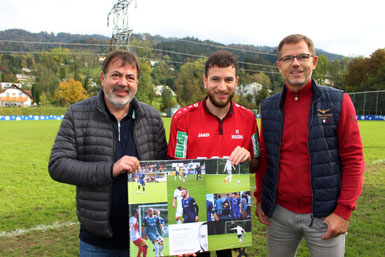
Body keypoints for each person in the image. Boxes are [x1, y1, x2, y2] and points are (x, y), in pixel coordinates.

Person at [48, 50, 167, 256]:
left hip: (142, 239)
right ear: (103, 78)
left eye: (130, 77)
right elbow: (58, 165)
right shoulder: (77, 114)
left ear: (137, 82)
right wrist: (111, 169)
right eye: (116, 75)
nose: (123, 83)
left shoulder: (152, 118)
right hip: (97, 242)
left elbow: (166, 170)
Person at [254, 34, 364, 257]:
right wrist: (260, 199)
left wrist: (343, 211)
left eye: (302, 56)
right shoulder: (269, 106)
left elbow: (353, 159)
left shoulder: (339, 101)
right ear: (279, 66)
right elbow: (265, 157)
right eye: (288, 58)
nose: (295, 63)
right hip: (279, 215)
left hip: (325, 214)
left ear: (313, 61)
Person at [168, 50, 260, 257]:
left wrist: (247, 158)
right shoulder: (182, 119)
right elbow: (174, 168)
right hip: (196, 208)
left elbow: (257, 164)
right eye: (215, 79)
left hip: (228, 211)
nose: (222, 87)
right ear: (205, 81)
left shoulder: (248, 118)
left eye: (228, 80)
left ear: (236, 82)